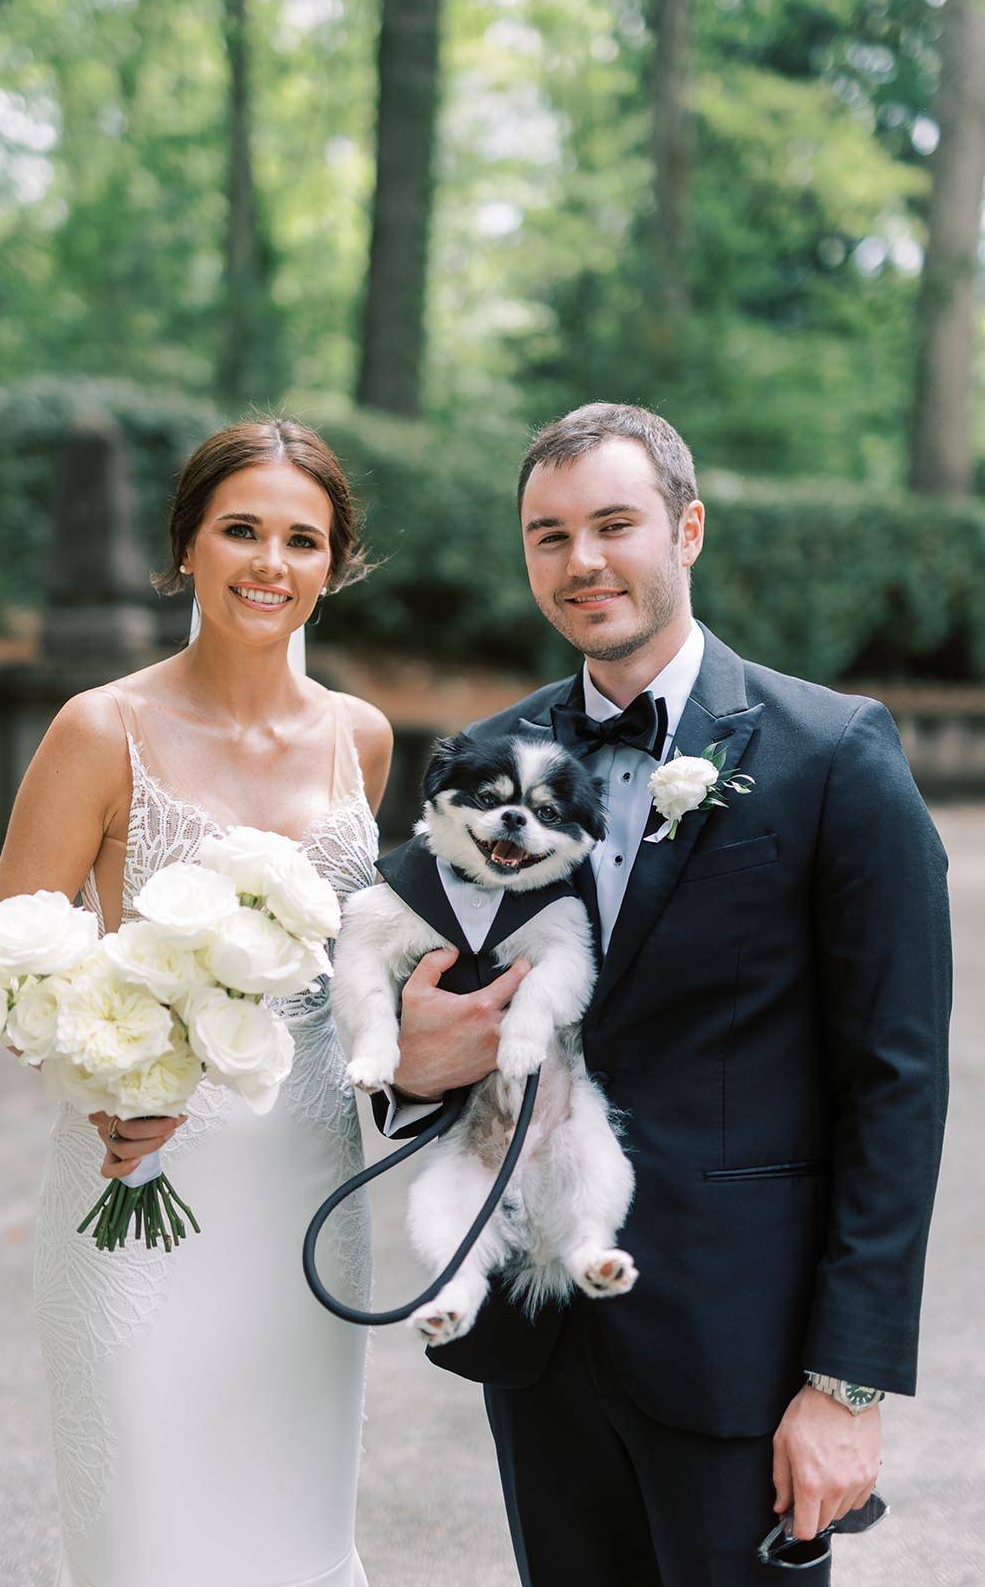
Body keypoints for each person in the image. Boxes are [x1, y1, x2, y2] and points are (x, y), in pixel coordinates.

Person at [375, 402, 951, 1586]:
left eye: (612, 523)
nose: (580, 560)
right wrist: (407, 1062)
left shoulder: (831, 752)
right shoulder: (487, 760)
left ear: (686, 529)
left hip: (740, 1346)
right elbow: (394, 971)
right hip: (539, 1327)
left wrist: (844, 1385)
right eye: (547, 534)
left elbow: (894, 1084)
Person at [0, 417, 392, 1587]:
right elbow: (15, 968)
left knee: (291, 1534)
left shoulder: (358, 741)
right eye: (241, 530)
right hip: (138, 1184)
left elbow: (354, 960)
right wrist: (108, 1081)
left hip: (309, 1195)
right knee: (148, 1538)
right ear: (185, 549)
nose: (270, 562)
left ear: (334, 563)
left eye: (301, 539)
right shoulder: (100, 727)